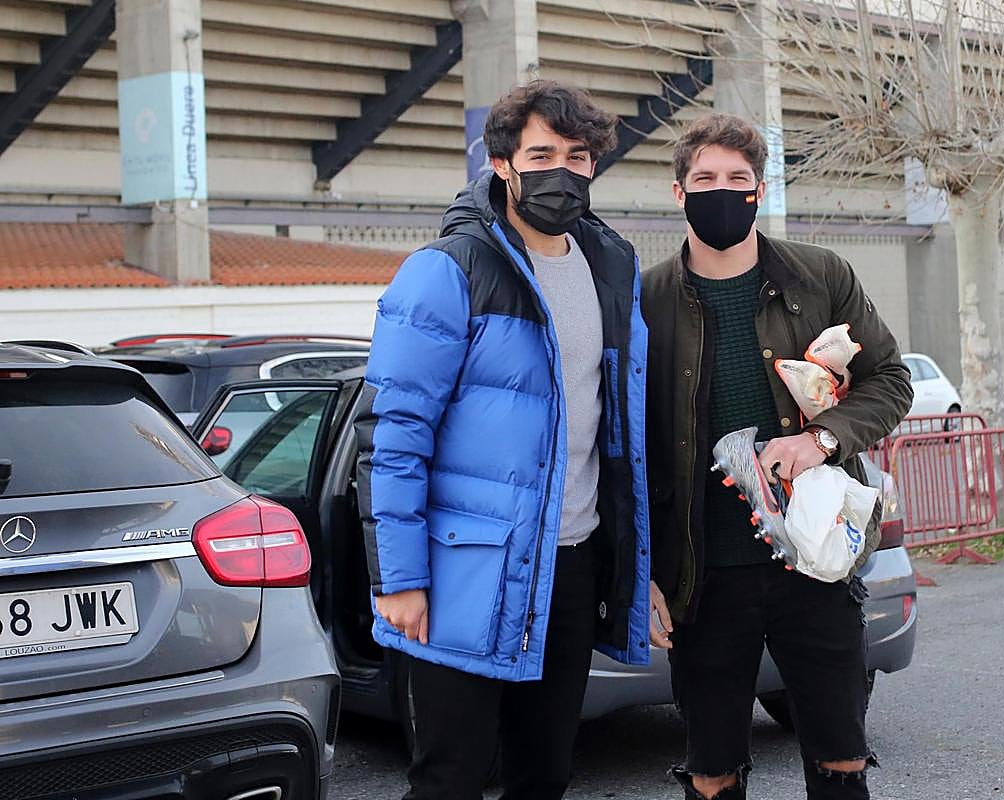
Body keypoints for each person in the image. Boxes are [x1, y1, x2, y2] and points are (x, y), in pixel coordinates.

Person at [355, 80, 651, 800]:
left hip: (573, 566)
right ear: (501, 165)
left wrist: (640, 565)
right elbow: (393, 438)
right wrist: (398, 579)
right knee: (451, 776)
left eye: (577, 155)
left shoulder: (610, 266)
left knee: (544, 774)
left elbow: (620, 432)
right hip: (468, 569)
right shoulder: (447, 269)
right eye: (542, 153)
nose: (562, 170)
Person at [641, 113, 913, 800]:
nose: (722, 191)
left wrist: (821, 439)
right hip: (703, 577)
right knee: (712, 772)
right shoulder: (645, 300)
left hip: (816, 564)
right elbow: (624, 446)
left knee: (840, 759)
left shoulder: (820, 275)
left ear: (760, 191)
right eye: (705, 179)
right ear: (678, 193)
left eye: (738, 179)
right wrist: (638, 571)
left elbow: (890, 379)